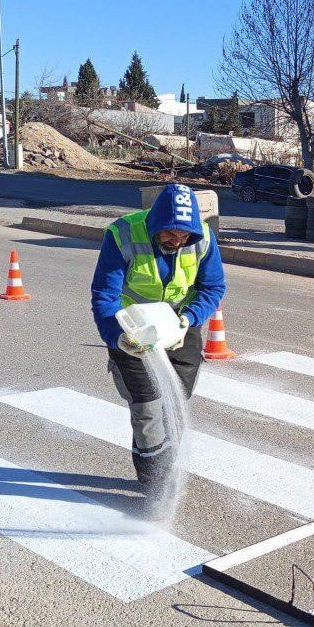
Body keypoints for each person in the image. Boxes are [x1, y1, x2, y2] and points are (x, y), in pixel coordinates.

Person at [90, 183, 226, 491]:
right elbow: (105, 295)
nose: (177, 242)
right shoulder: (123, 234)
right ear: (156, 224)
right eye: (170, 234)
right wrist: (117, 337)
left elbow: (213, 287)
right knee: (148, 410)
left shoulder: (203, 238)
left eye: (184, 237)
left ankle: (165, 463)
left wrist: (187, 320)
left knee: (174, 405)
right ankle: (154, 483)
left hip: (179, 327)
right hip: (133, 329)